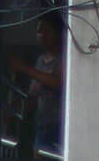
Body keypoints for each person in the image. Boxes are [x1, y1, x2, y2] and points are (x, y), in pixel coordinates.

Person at [12, 14, 65, 152]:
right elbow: (35, 89)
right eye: (39, 31)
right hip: (42, 123)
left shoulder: (64, 58)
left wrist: (24, 68)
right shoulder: (41, 59)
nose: (42, 35)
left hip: (58, 125)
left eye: (46, 30)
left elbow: (56, 82)